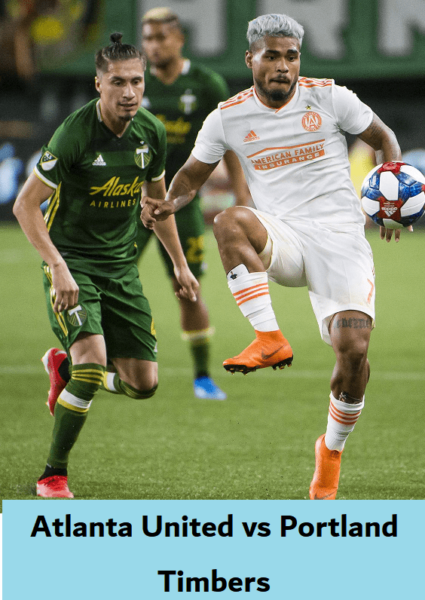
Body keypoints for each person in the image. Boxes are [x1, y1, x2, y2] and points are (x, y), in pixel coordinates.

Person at [141, 13, 404, 500]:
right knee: (229, 221)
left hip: (341, 237)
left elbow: (383, 138)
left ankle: (331, 450)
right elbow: (190, 178)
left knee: (354, 355)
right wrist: (167, 202)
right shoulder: (228, 116)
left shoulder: (329, 97)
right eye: (273, 55)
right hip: (282, 235)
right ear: (251, 59)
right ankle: (268, 337)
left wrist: (390, 199)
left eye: (291, 56)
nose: (283, 66)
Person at [13, 32, 198, 499]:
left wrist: (179, 264)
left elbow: (156, 205)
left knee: (144, 384)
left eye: (136, 81)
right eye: (118, 82)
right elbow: (24, 206)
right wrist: (57, 266)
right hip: (72, 264)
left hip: (120, 269)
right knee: (94, 364)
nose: (129, 92)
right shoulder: (74, 133)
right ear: (99, 84)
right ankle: (52, 475)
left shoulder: (150, 132)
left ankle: (63, 371)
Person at [137, 7, 250, 401]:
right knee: (106, 284)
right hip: (129, 205)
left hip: (178, 205)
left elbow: (230, 143)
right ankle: (96, 363)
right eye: (147, 39)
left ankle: (202, 376)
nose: (153, 46)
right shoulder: (133, 81)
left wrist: (241, 194)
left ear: (178, 38)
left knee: (189, 289)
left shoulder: (206, 84)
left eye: (160, 38)